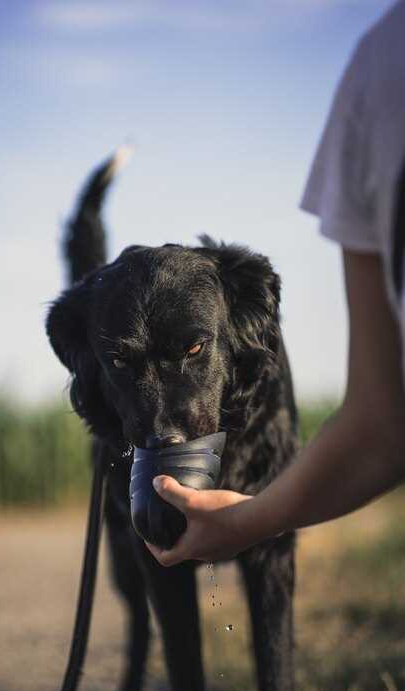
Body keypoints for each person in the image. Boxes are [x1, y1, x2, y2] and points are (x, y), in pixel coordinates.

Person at [147, 0, 405, 567]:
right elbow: (383, 423)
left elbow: (381, 425)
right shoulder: (377, 75)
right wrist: (243, 521)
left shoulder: (374, 68)